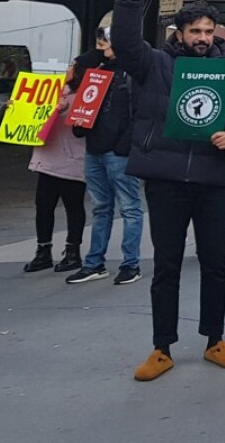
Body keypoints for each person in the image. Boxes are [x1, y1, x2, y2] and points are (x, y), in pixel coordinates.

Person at [114, 0, 225, 382]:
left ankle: (215, 339)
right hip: (166, 181)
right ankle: (162, 348)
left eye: (208, 31)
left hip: (213, 182)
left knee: (215, 265)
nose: (202, 38)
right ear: (178, 34)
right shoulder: (155, 66)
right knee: (167, 266)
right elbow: (125, 43)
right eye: (195, 31)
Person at [64, 16, 143, 286]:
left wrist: (124, 145)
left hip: (115, 151)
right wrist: (80, 125)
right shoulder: (98, 70)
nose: (100, 47)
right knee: (103, 208)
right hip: (96, 148)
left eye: (104, 42)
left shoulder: (132, 74)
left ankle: (129, 264)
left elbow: (139, 113)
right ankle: (95, 263)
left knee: (128, 208)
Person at [23, 80, 88, 275]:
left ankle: (72, 252)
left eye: (72, 67)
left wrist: (67, 109)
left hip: (71, 159)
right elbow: (32, 114)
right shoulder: (50, 90)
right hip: (48, 158)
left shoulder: (86, 92)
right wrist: (18, 109)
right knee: (43, 207)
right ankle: (43, 250)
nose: (68, 69)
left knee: (73, 207)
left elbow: (82, 127)